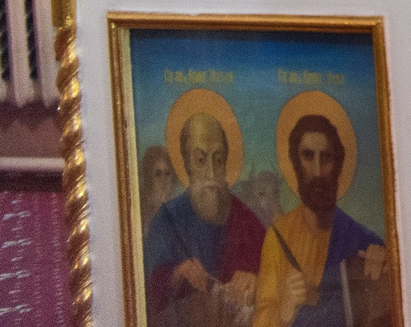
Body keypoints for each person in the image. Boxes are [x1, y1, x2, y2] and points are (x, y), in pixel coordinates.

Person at [251, 112, 390, 327]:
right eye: (308, 156)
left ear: (338, 166)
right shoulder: (279, 236)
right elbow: (261, 319)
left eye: (326, 158)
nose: (317, 171)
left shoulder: (361, 241)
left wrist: (388, 270)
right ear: (296, 164)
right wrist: (284, 310)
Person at [143, 109, 266, 326]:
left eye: (218, 159)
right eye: (200, 159)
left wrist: (257, 282)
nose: (211, 171)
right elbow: (148, 291)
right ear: (187, 162)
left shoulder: (247, 220)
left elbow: (276, 284)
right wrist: (178, 275)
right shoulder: (166, 220)